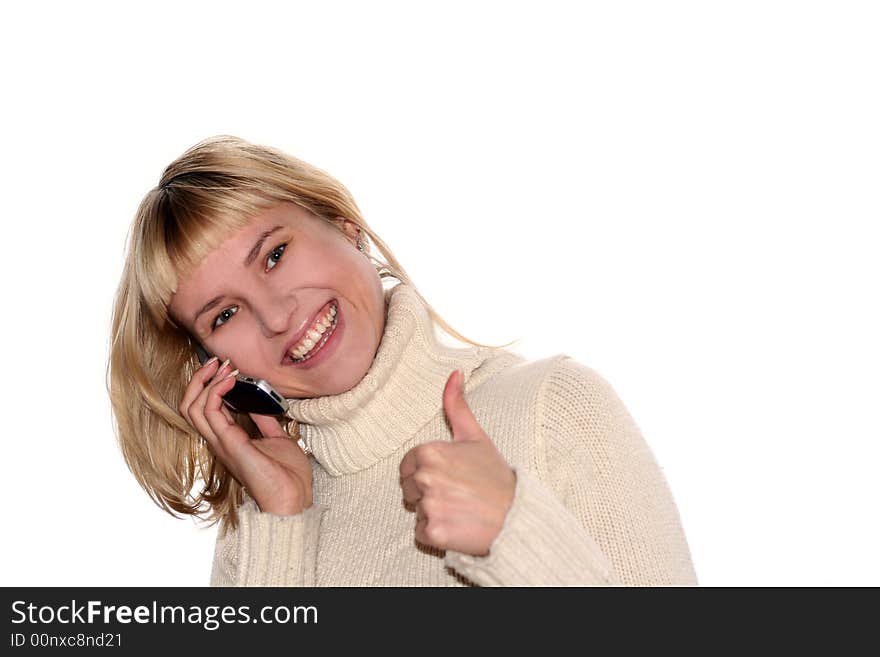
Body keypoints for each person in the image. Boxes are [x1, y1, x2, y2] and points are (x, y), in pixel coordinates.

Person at [108, 135, 698, 586]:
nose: (277, 315)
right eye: (224, 316)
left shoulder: (549, 409)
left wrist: (515, 535)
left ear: (346, 226)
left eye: (275, 254)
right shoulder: (262, 524)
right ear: (215, 366)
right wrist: (284, 527)